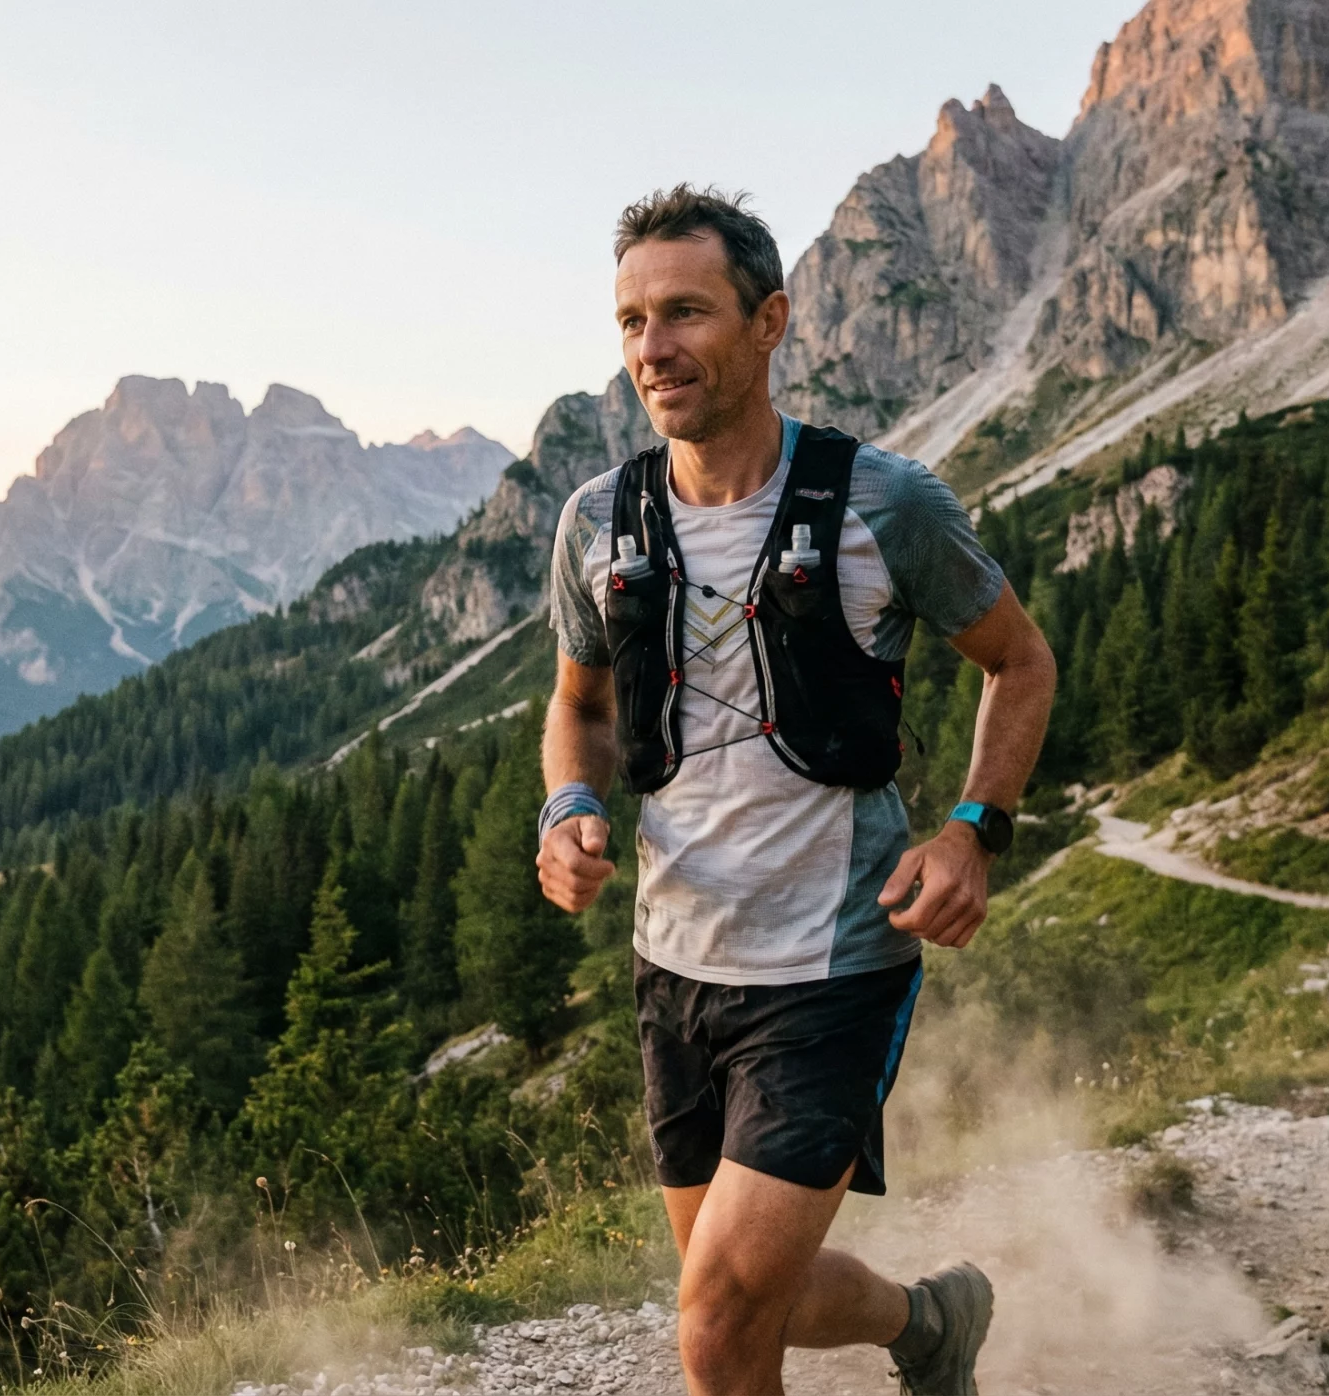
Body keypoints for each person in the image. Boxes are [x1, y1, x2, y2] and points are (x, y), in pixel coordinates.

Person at [536, 185, 1056, 1396]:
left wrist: (974, 828)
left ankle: (924, 1327)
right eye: (629, 323)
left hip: (832, 970)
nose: (651, 350)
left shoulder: (885, 503)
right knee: (737, 1294)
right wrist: (568, 806)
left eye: (683, 313)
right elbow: (582, 707)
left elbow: (1019, 661)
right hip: (674, 968)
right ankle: (929, 1323)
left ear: (768, 321)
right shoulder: (597, 521)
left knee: (717, 1320)